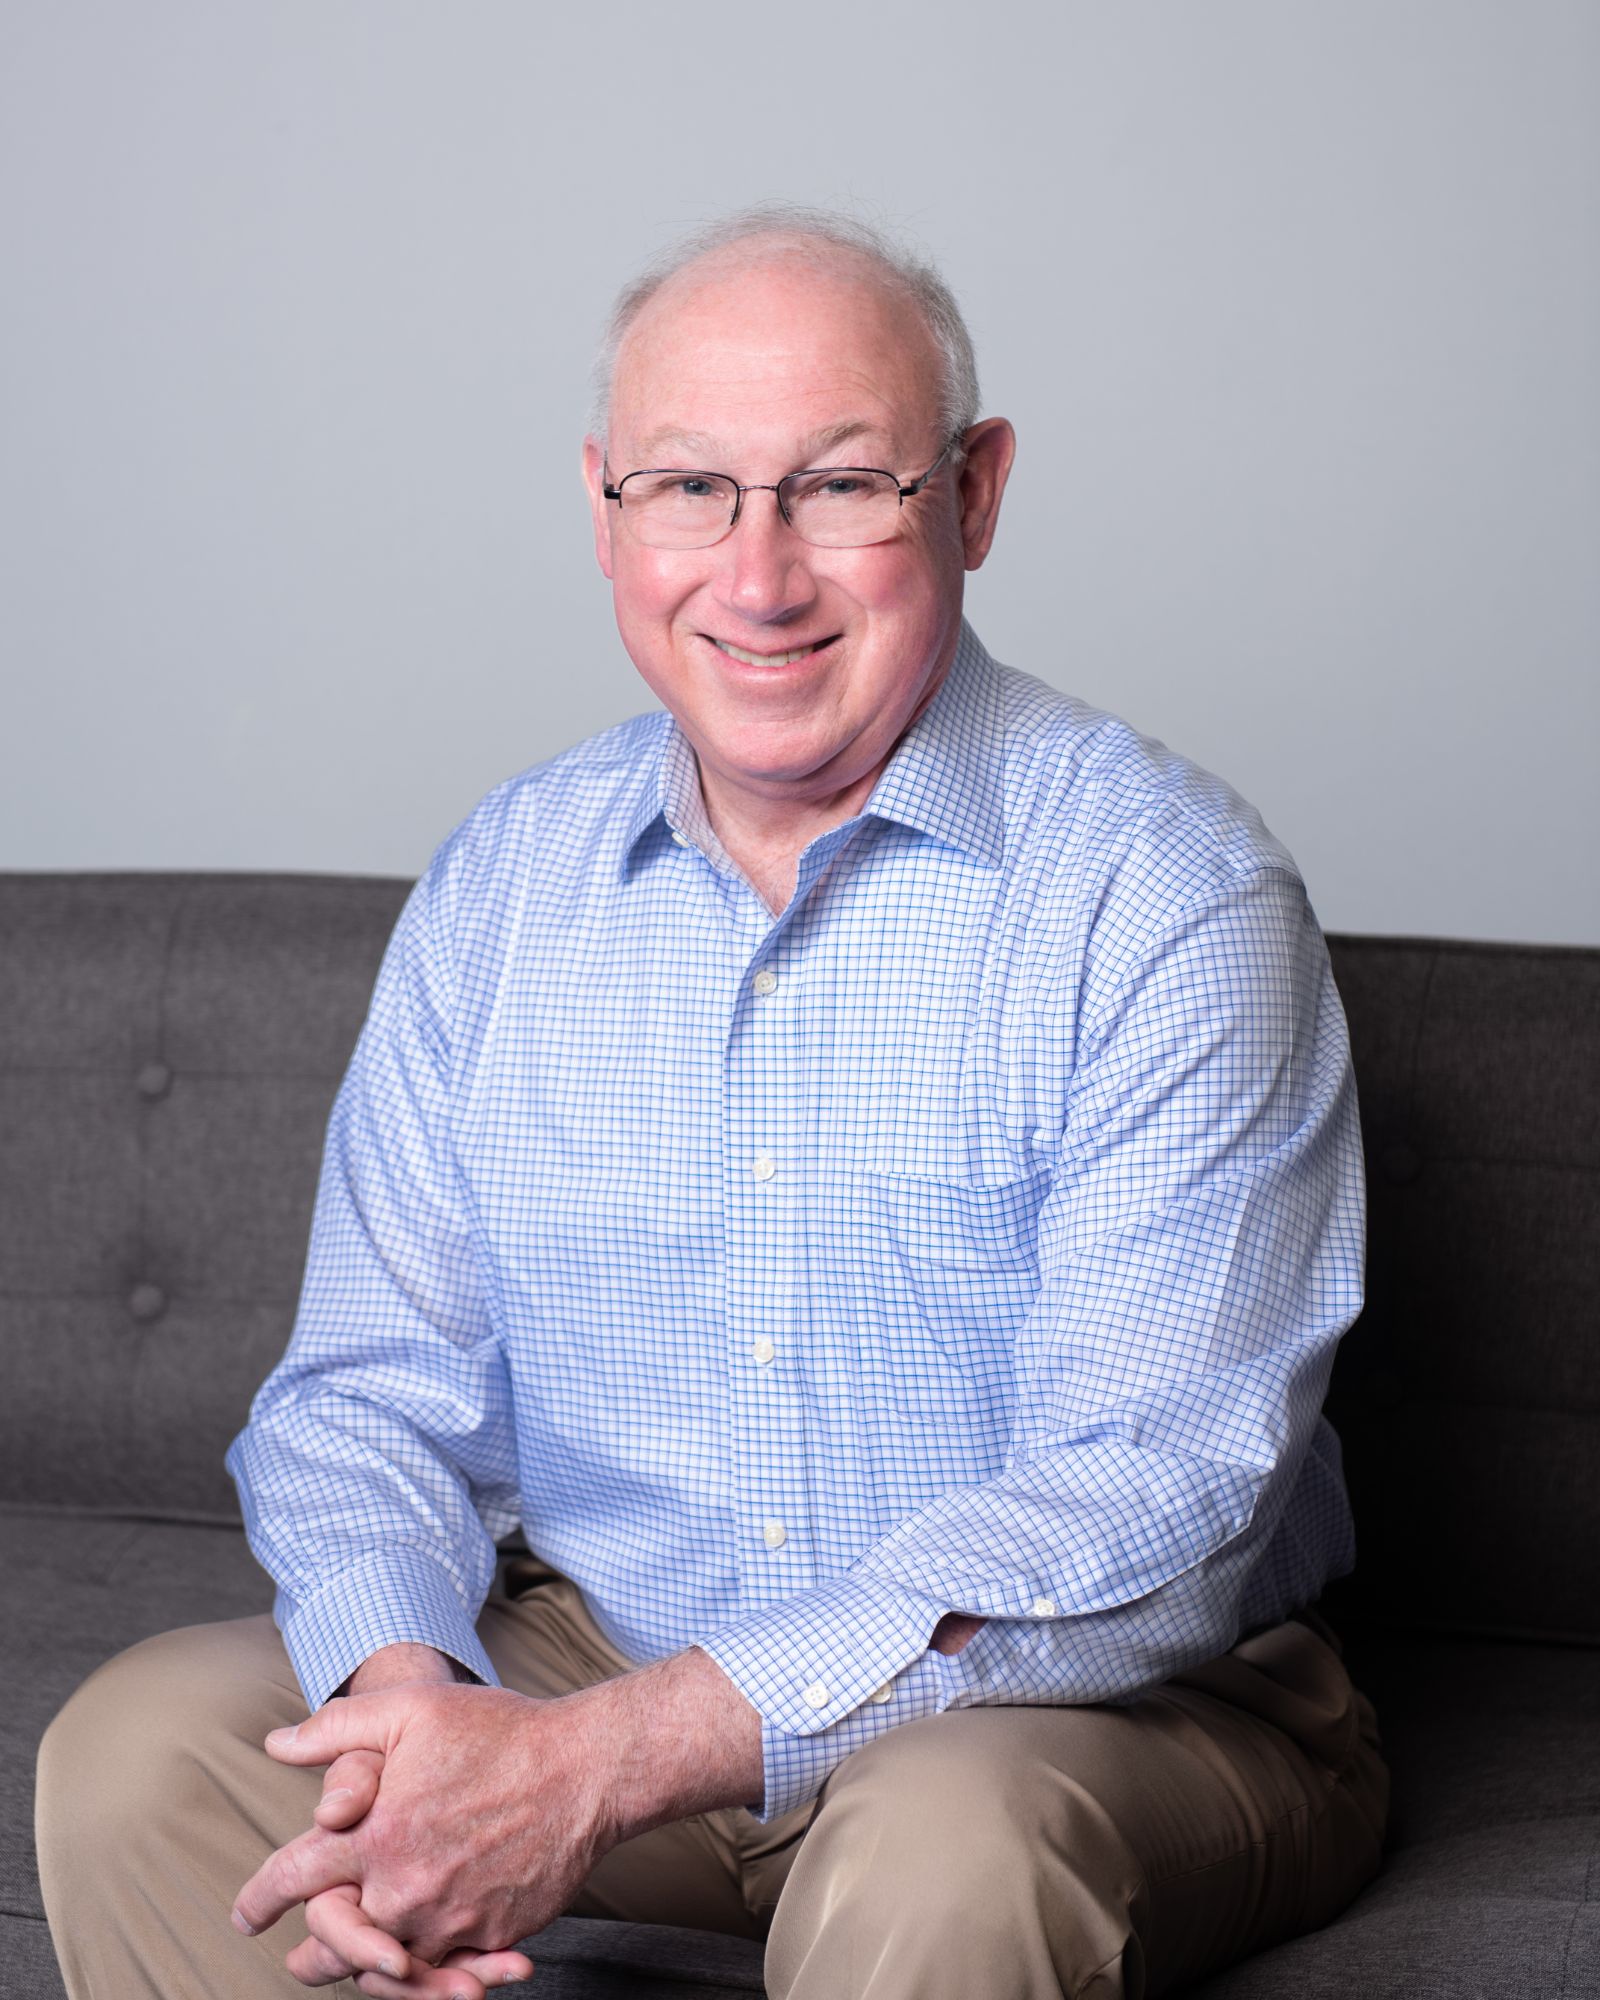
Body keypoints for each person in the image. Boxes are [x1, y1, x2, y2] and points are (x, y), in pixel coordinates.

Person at [35, 203, 1389, 2000]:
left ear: (973, 497)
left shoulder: (1173, 901)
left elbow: (1145, 1503)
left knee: (943, 1857)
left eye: (841, 488)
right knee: (146, 1758)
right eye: (689, 490)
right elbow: (368, 1398)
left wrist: (595, 1765)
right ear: (604, 504)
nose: (754, 579)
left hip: (1091, 1705)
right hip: (609, 1642)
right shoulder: (505, 889)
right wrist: (415, 1717)